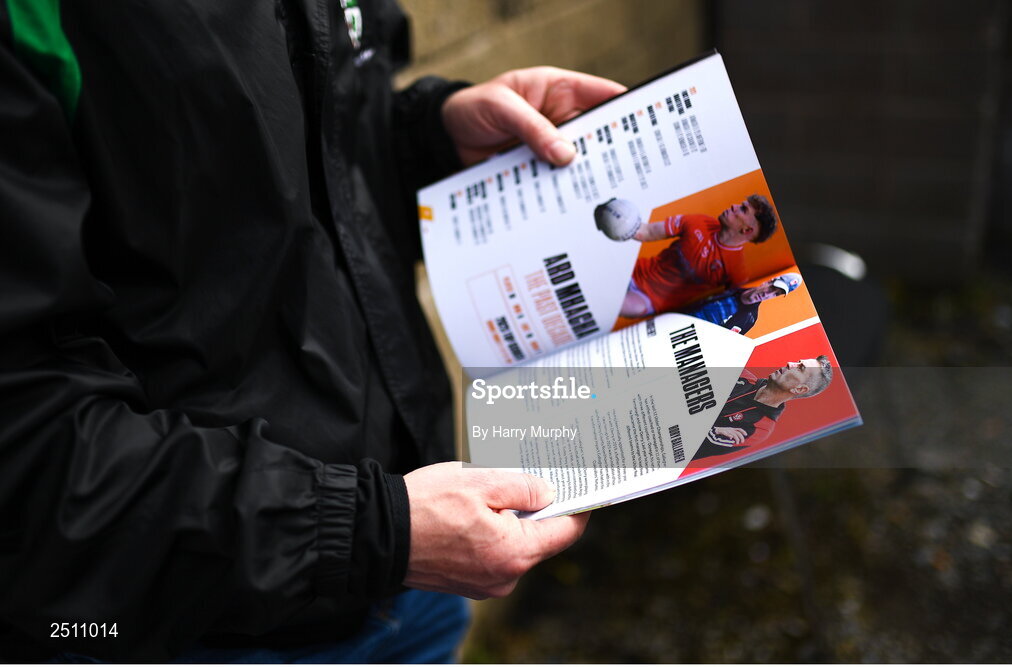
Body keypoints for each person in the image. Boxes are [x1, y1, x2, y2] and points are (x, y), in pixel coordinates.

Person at [0, 0, 625, 661]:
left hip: (413, 580)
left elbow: (287, 170)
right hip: (183, 628)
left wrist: (427, 143)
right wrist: (364, 531)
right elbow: (23, 435)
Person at [619, 194, 778, 318]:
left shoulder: (737, 273)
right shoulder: (699, 221)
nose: (734, 206)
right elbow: (647, 232)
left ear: (747, 230)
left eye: (743, 209)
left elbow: (721, 304)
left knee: (612, 305)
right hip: (634, 271)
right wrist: (619, 218)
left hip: (648, 300)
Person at [694, 356, 833, 460]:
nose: (790, 364)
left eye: (800, 367)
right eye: (797, 361)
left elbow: (696, 444)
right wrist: (714, 429)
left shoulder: (760, 429)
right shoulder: (742, 375)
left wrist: (709, 430)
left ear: (799, 389)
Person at [684, 272, 802, 335]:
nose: (768, 295)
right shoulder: (730, 285)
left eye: (776, 294)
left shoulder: (749, 319)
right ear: (767, 282)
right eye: (772, 288)